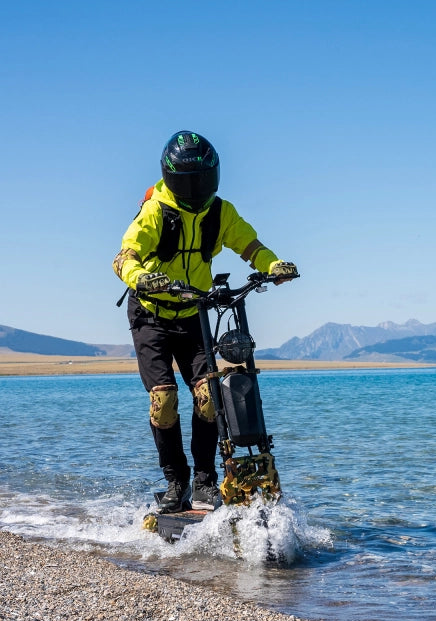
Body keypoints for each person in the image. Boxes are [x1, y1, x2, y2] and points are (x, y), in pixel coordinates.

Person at [112, 130, 297, 514]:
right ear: (170, 177)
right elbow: (124, 257)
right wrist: (141, 276)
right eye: (186, 179)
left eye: (200, 178)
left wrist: (273, 265)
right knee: (163, 400)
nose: (194, 186)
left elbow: (250, 245)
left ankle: (205, 482)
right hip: (152, 316)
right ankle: (175, 481)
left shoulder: (220, 211)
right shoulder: (156, 211)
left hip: (193, 313)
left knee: (209, 396)